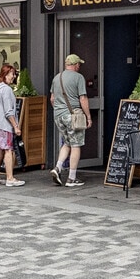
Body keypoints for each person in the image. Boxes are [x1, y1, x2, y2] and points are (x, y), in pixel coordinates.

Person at [49, 52, 90, 187]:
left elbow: (52, 99)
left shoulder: (57, 78)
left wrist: (59, 110)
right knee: (75, 145)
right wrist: (88, 116)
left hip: (58, 115)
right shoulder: (79, 78)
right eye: (79, 64)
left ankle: (58, 167)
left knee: (66, 142)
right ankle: (72, 178)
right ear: (76, 65)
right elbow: (82, 99)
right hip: (72, 115)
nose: (79, 66)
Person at [0, 64, 24, 187]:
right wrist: (16, 126)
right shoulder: (7, 90)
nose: (14, 77)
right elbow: (9, 112)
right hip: (4, 125)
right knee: (8, 150)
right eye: (12, 74)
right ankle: (10, 178)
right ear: (5, 74)